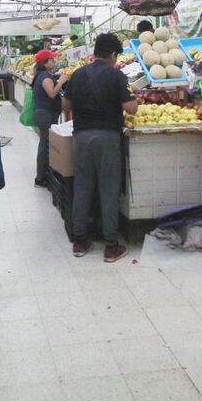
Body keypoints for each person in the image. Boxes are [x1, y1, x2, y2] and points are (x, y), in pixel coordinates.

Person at [62, 33, 138, 263]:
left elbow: (65, 104)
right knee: (108, 190)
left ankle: (79, 240)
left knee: (83, 188)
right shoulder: (116, 76)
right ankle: (111, 246)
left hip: (82, 138)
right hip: (107, 138)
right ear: (114, 55)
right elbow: (131, 108)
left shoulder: (78, 74)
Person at [32, 50, 68, 187]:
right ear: (45, 63)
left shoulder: (42, 75)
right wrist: (61, 82)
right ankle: (41, 177)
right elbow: (52, 94)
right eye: (52, 60)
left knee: (45, 144)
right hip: (45, 114)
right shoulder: (45, 77)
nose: (54, 61)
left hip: (44, 113)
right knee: (45, 146)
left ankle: (43, 175)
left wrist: (56, 78)